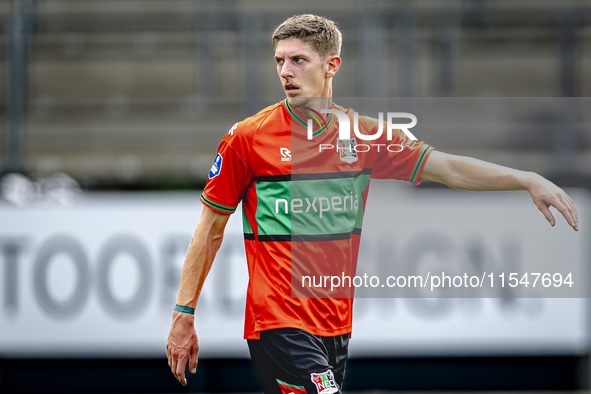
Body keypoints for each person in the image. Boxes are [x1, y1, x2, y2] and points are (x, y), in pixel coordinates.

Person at [166, 14, 579, 393]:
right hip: (278, 324)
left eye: (299, 60)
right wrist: (184, 313)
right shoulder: (249, 137)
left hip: (336, 328)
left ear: (332, 65)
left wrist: (525, 179)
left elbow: (448, 168)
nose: (286, 72)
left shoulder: (362, 136)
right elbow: (210, 228)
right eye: (280, 61)